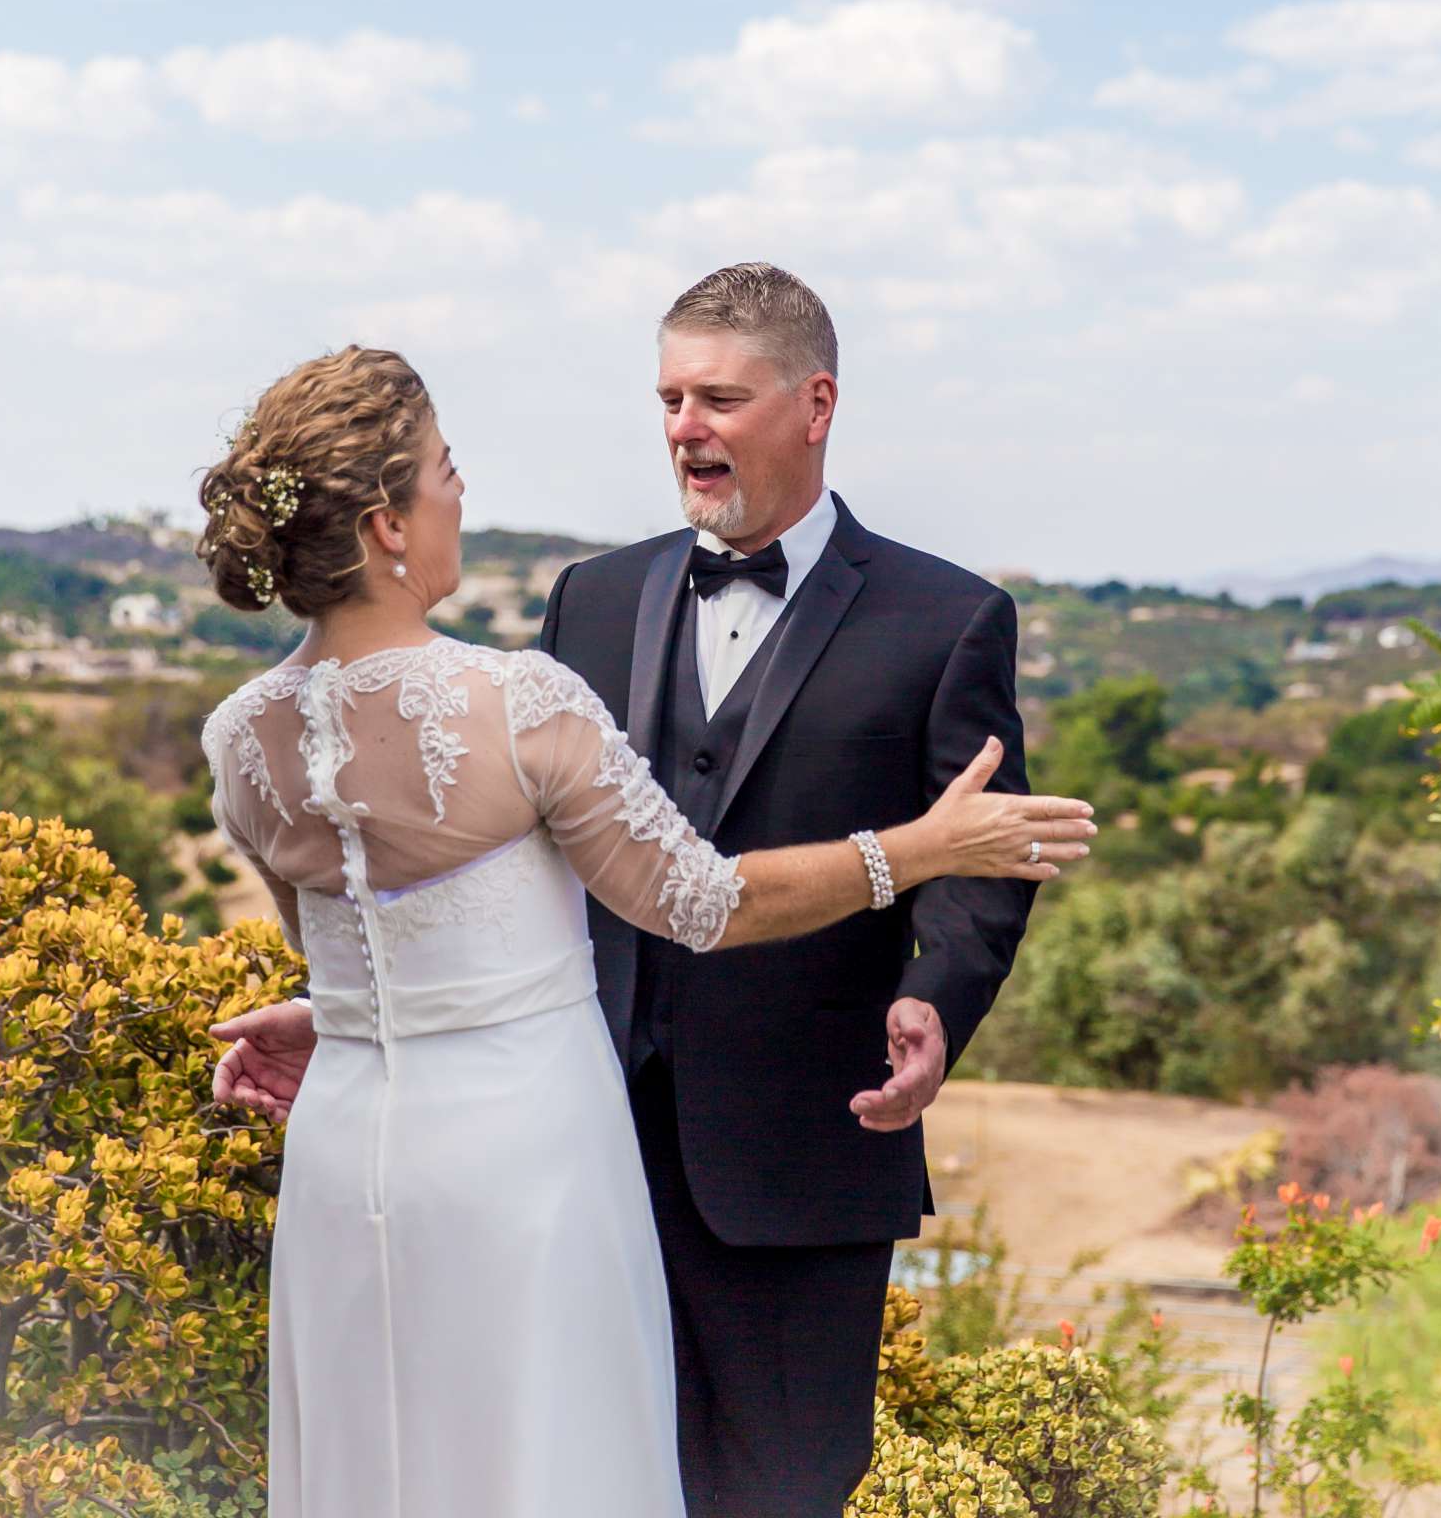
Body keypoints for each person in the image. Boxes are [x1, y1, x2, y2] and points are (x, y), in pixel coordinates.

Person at [202, 336, 1092, 1518]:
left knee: (395, 1457)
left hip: (364, 1147)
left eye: (716, 397)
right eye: (444, 469)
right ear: (385, 526)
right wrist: (919, 848)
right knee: (553, 1462)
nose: (460, 490)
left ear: (813, 404)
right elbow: (701, 901)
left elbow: (365, 921)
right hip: (543, 1147)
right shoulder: (532, 680)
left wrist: (350, 1016)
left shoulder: (237, 737)